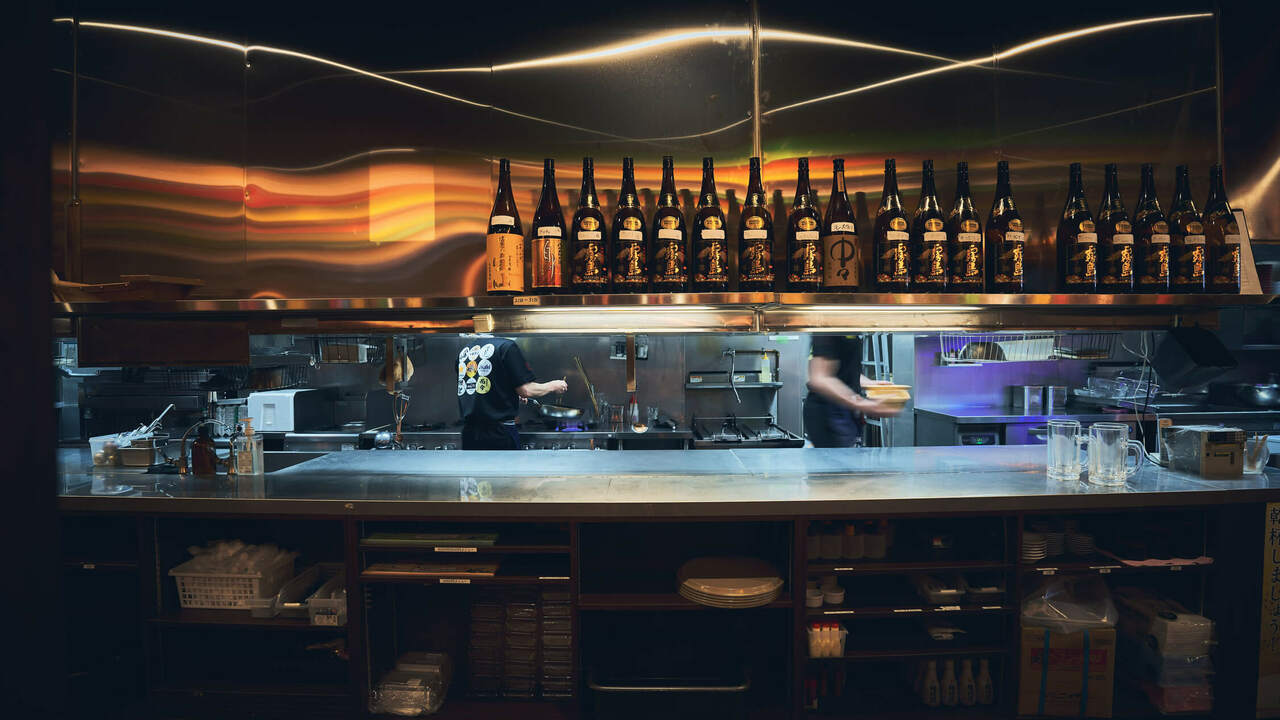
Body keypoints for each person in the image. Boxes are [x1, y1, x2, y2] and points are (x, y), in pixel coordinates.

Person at [455, 336, 567, 450]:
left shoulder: (467, 350)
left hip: (469, 433)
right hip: (498, 434)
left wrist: (511, 394)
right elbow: (526, 390)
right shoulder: (507, 347)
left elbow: (479, 387)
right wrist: (553, 385)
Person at [804, 334, 902, 448]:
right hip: (828, 414)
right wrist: (862, 404)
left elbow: (845, 372)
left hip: (844, 412)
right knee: (836, 458)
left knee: (845, 456)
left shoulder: (851, 331)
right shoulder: (828, 331)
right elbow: (820, 378)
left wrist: (870, 383)